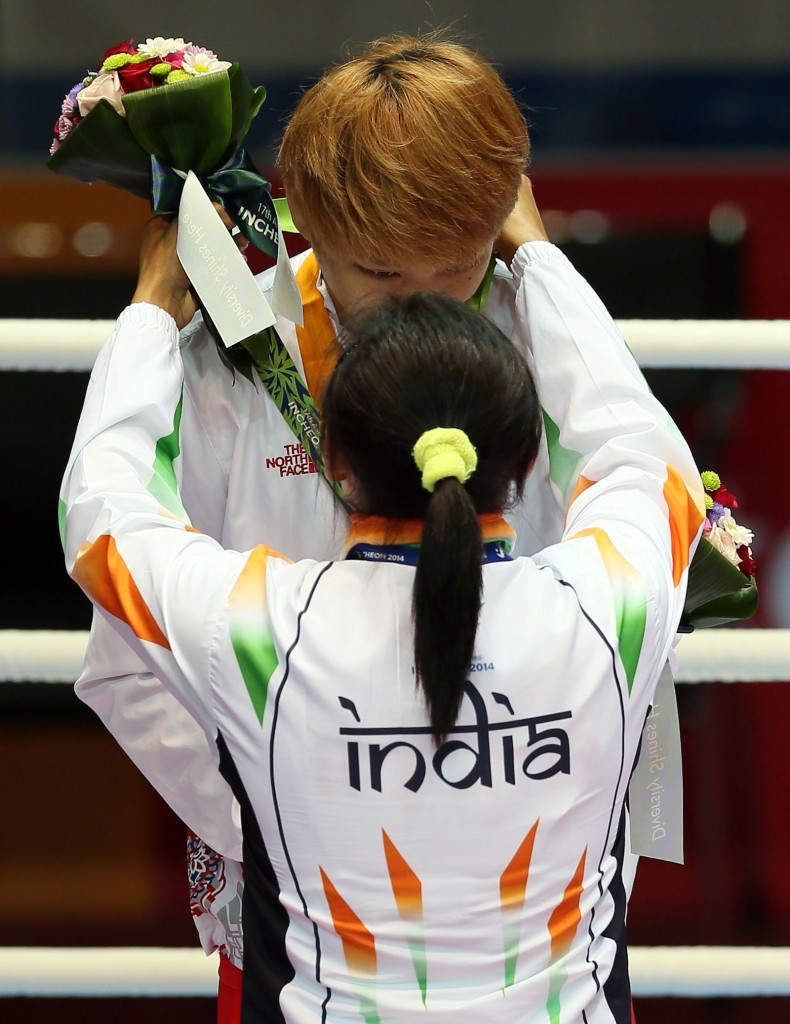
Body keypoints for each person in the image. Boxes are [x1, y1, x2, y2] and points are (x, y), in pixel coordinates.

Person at [62, 33, 682, 1020]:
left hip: (529, 898)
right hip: (301, 903)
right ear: (308, 215)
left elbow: (107, 523)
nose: (425, 303)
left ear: (497, 223)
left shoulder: (537, 340)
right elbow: (129, 664)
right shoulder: (233, 353)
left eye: (458, 263)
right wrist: (271, 822)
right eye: (384, 271)